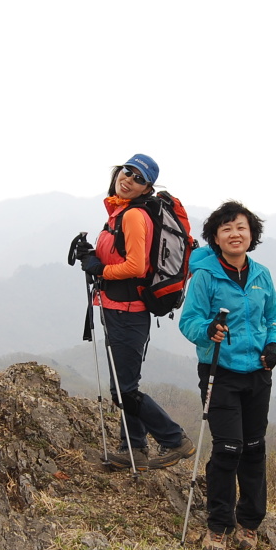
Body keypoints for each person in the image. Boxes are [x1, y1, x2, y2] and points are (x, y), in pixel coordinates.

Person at [75, 154, 195, 471]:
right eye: (127, 171)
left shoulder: (132, 216)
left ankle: (174, 440)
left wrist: (99, 269)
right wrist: (91, 255)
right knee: (123, 387)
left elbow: (135, 266)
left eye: (139, 178)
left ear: (146, 189)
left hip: (129, 312)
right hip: (116, 309)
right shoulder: (119, 213)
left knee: (125, 391)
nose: (129, 179)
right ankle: (134, 449)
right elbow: (117, 255)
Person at [178, 200, 276, 550]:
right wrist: (208, 331)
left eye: (241, 227)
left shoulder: (262, 275)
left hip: (258, 373)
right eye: (226, 229)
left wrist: (274, 345)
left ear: (251, 234)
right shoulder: (206, 277)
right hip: (219, 372)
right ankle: (218, 526)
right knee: (227, 449)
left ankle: (250, 522)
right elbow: (188, 322)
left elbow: (274, 317)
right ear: (216, 239)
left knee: (254, 449)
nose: (235, 234)